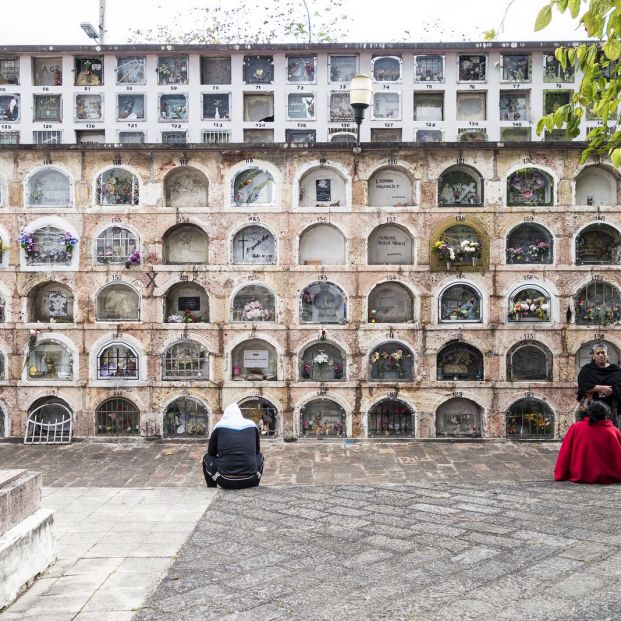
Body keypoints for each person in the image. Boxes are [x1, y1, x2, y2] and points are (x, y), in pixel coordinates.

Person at [554, 402, 621, 484]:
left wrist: (560, 474)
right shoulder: (613, 431)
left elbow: (565, 452)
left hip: (581, 474)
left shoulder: (576, 427)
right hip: (608, 475)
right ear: (606, 415)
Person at [202, 403, 264, 489]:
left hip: (225, 480)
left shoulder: (219, 426)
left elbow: (211, 452)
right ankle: (255, 486)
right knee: (260, 456)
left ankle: (211, 488)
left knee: (206, 457)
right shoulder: (252, 425)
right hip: (251, 479)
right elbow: (256, 451)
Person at [577, 343, 621, 427]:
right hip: (591, 410)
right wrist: (600, 388)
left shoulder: (616, 371)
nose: (601, 355)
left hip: (611, 409)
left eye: (603, 352)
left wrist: (613, 390)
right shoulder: (587, 370)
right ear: (593, 356)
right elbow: (582, 385)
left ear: (607, 355)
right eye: (597, 353)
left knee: (609, 433)